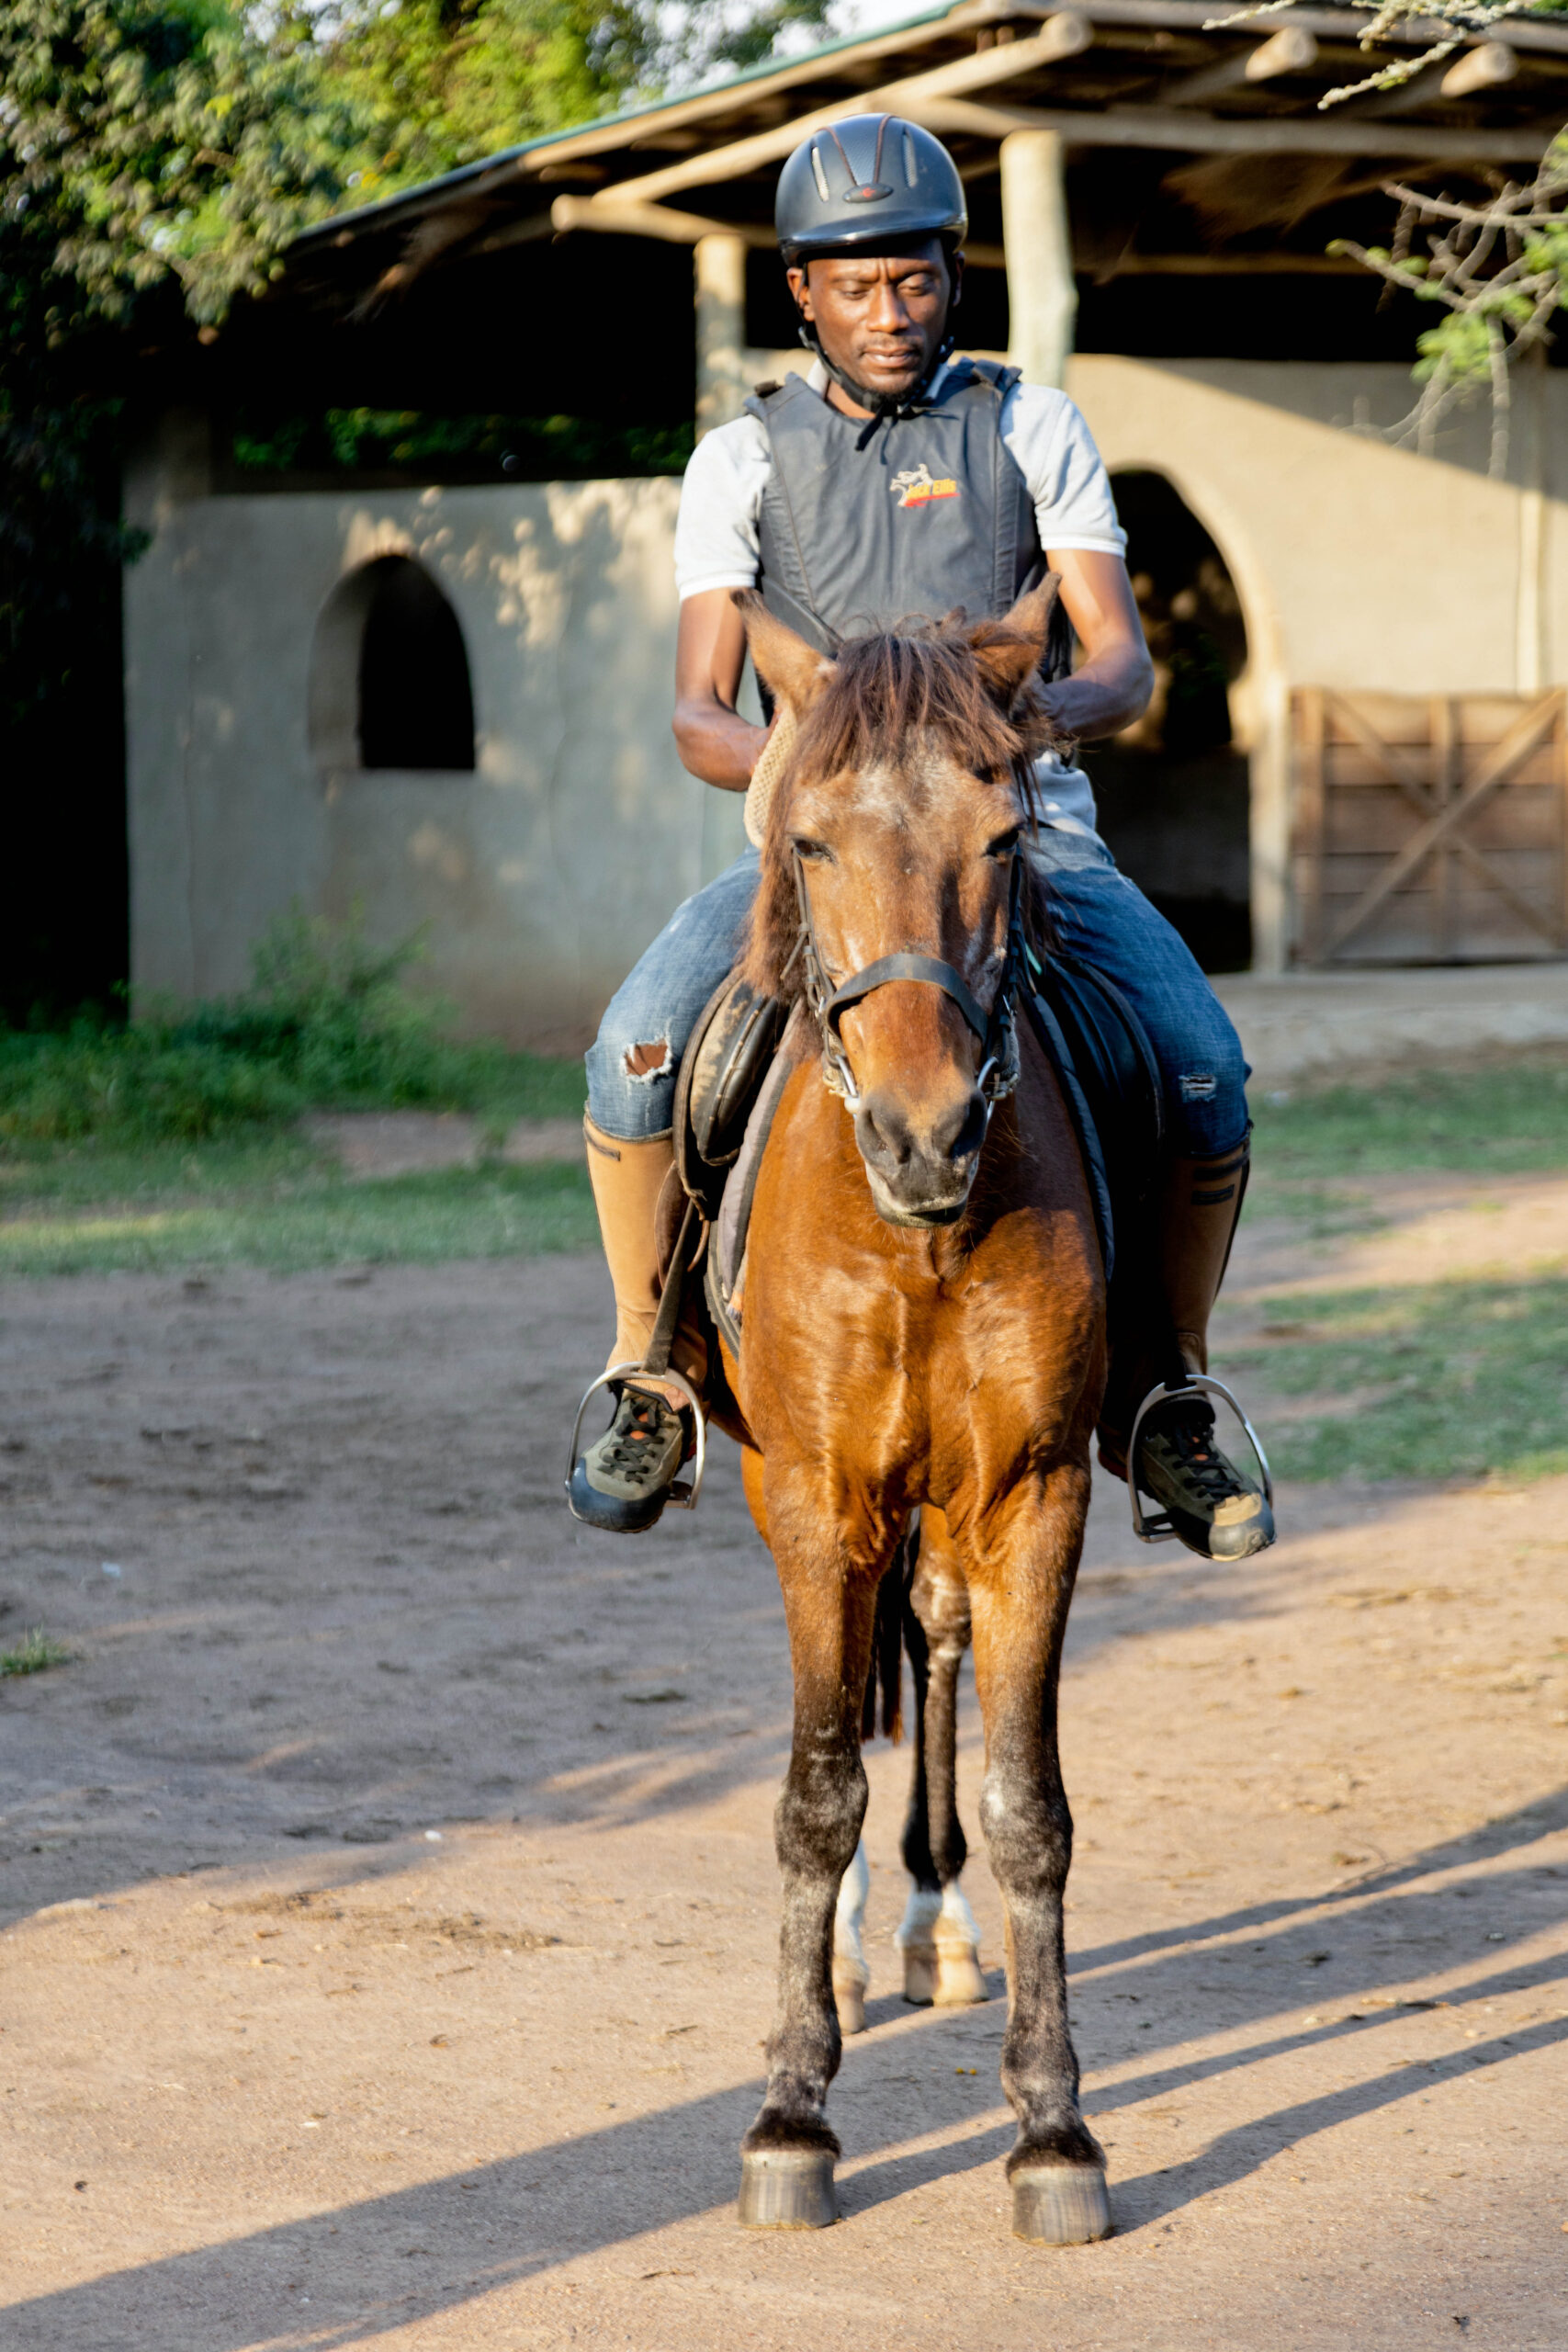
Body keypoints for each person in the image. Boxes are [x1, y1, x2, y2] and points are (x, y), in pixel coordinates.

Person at [570, 115, 1272, 1564]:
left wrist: (992, 750)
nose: (890, 315)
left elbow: (1122, 665)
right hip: (816, 858)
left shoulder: (1033, 427)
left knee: (1201, 1066)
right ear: (802, 294)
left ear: (955, 280)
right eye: (856, 286)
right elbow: (702, 718)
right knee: (635, 1055)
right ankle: (650, 1361)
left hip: (1019, 839)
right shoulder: (741, 459)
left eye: (917, 282)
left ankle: (1168, 1395)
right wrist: (838, 776)